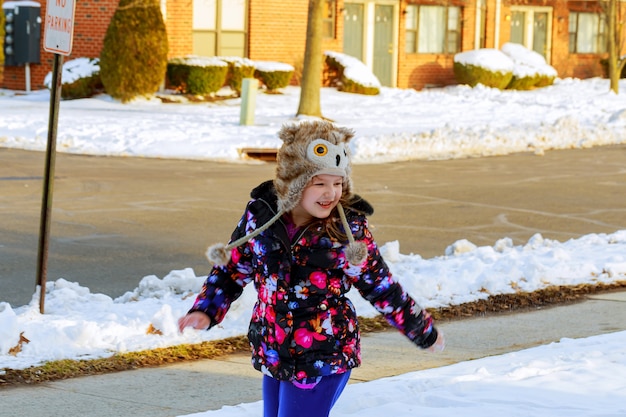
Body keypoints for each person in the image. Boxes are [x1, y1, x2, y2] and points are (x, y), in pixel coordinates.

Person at [178, 120, 445, 417]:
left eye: (337, 182)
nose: (330, 193)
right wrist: (205, 309)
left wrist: (422, 330)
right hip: (275, 352)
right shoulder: (261, 219)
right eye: (319, 183)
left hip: (324, 355)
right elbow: (231, 270)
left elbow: (381, 285)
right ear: (293, 182)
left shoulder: (346, 231)